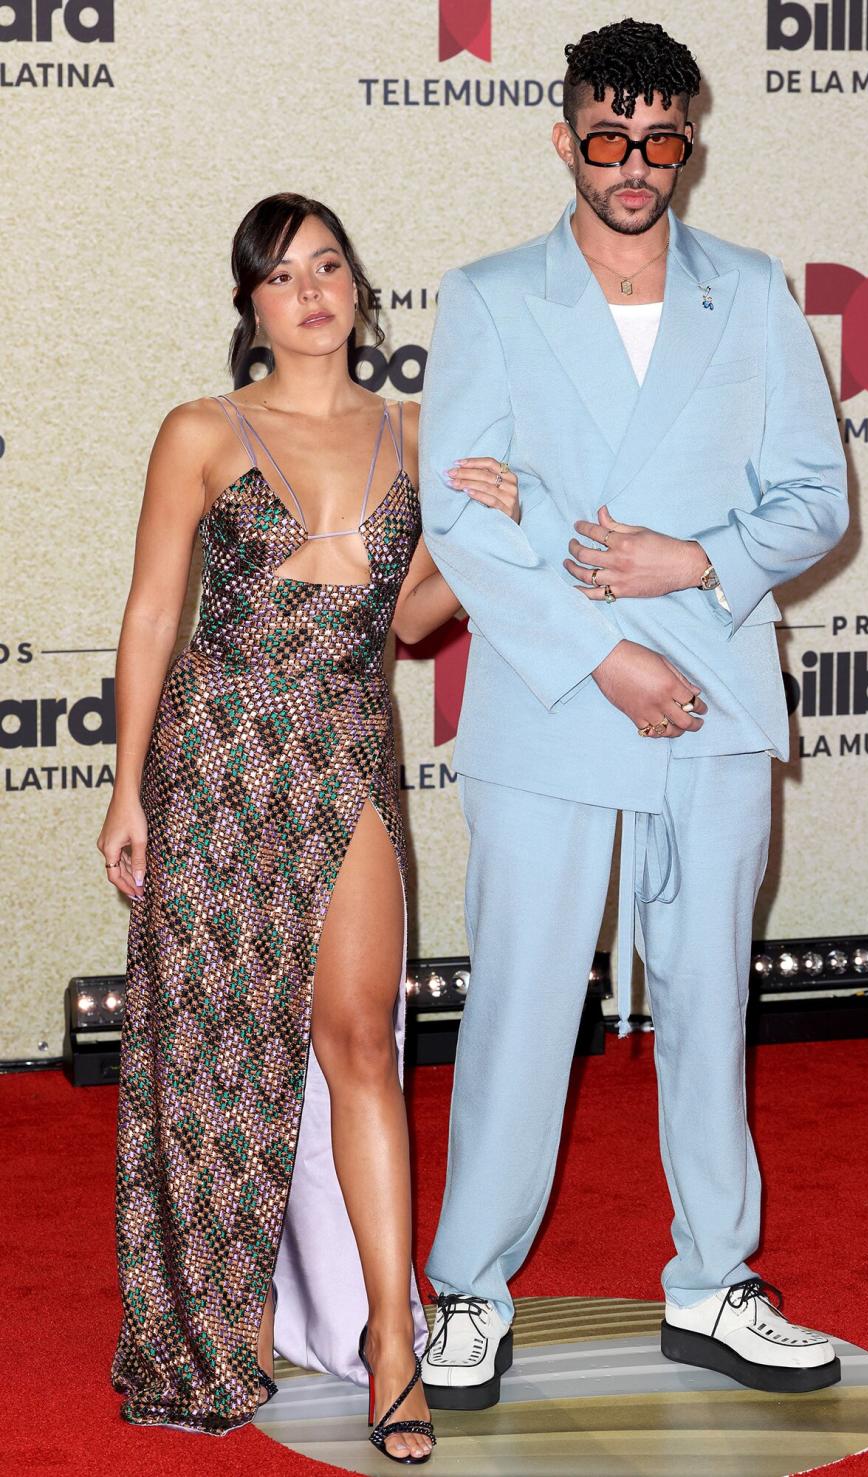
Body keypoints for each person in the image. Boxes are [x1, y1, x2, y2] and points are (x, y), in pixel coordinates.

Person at [418, 18, 849, 1409]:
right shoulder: (490, 296)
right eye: (607, 136)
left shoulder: (753, 290)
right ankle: (468, 1293)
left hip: (717, 691)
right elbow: (460, 525)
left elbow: (816, 499)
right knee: (524, 1008)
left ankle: (714, 1283)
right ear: (565, 138)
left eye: (660, 140)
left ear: (688, 147)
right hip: (557, 700)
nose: (633, 164)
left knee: (712, 1002)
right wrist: (608, 651)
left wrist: (694, 561)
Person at [97, 192, 518, 1460]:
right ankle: (210, 1329)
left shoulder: (416, 432)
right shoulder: (202, 432)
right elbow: (153, 616)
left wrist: (484, 528)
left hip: (343, 750)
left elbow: (405, 621)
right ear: (252, 309)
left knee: (362, 1048)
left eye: (329, 265)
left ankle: (394, 1338)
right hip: (217, 755)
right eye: (283, 277)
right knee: (214, 1064)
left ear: (358, 286)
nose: (313, 291)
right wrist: (126, 785)